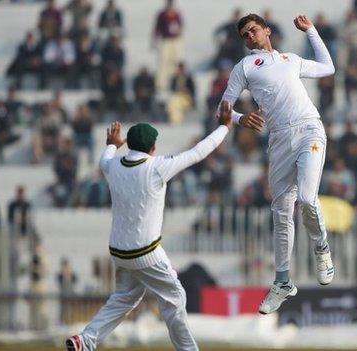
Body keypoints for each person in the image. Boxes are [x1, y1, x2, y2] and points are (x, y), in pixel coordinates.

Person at [66, 103, 232, 351]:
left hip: (119, 252)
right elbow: (198, 152)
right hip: (147, 253)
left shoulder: (112, 167)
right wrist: (224, 128)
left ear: (130, 144)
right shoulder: (157, 167)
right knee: (176, 297)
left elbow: (104, 159)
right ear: (153, 147)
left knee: (124, 298)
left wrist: (112, 143)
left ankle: (85, 340)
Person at [218, 13, 335, 314]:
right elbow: (223, 108)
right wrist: (242, 119)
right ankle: (283, 281)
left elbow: (327, 67)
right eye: (244, 34)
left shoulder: (290, 59)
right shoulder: (244, 66)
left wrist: (311, 31)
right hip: (280, 138)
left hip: (308, 127)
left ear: (267, 30)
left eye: (253, 30)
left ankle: (321, 247)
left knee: (308, 199)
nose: (249, 37)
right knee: (281, 210)